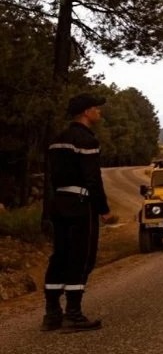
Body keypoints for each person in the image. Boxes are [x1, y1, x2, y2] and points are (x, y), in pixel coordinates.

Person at [41, 93, 114, 332]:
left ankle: (52, 314)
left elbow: (51, 177)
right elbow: (93, 179)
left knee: (60, 255)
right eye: (96, 108)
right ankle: (73, 314)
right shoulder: (86, 140)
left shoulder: (57, 140)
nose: (99, 112)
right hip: (81, 205)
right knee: (81, 257)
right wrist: (102, 209)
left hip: (59, 202)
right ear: (86, 112)